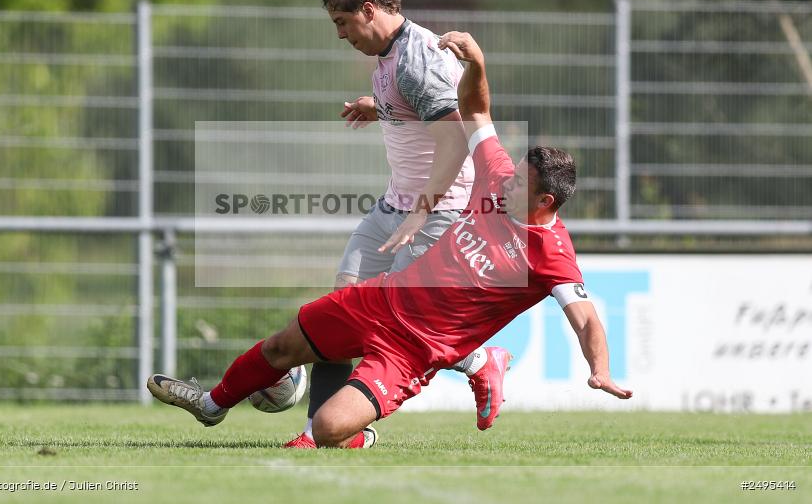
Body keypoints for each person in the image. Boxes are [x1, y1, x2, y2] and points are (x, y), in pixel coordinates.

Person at [148, 31, 633, 449]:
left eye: (519, 185)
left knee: (328, 428)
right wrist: (478, 62)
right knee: (280, 348)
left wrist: (600, 369)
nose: (507, 182)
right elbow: (477, 110)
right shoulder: (498, 176)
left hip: (413, 352)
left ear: (545, 201)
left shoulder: (551, 255)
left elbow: (587, 317)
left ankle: (351, 429)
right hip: (378, 303)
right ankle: (213, 404)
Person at [282, 0, 501, 448]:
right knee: (341, 305)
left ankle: (479, 360)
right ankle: (327, 434)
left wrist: (421, 211)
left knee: (395, 320)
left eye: (342, 23)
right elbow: (417, 108)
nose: (340, 35)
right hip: (395, 202)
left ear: (368, 9)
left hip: (441, 205)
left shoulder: (416, 58)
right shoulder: (389, 53)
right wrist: (376, 106)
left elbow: (454, 141)